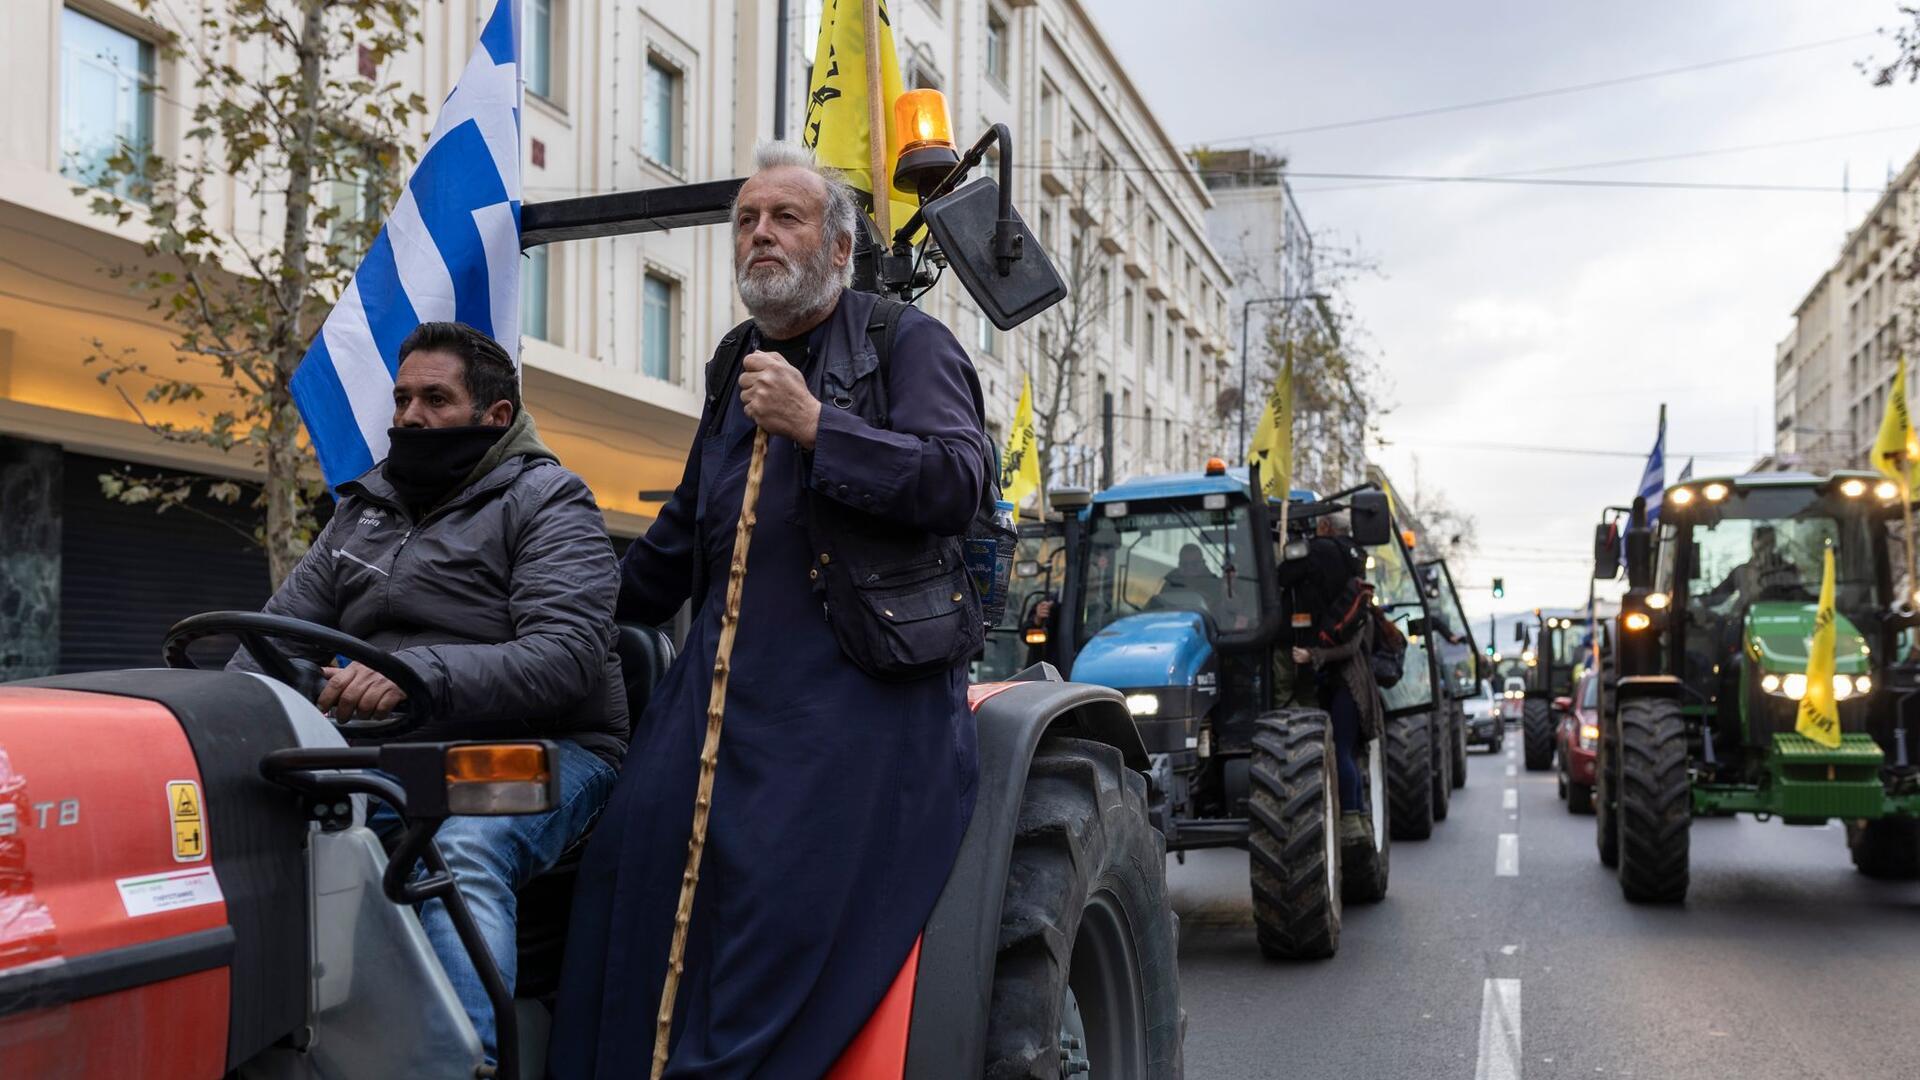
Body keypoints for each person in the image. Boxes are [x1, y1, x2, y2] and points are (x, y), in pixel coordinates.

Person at [551, 142, 988, 1078]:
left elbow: (958, 482)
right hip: (715, 694)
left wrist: (820, 426)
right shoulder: (732, 361)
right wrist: (567, 616)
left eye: (784, 217)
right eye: (745, 220)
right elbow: (682, 531)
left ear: (838, 249)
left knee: (778, 898)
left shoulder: (906, 343)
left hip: (856, 694)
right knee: (626, 865)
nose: (759, 234)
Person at [233, 321, 628, 1064]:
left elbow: (565, 657)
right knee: (253, 820)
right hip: (396, 747)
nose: (410, 416)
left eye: (435, 399)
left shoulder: (550, 501)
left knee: (462, 848)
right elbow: (274, 638)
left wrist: (416, 675)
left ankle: (465, 1059)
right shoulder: (364, 511)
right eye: (402, 398)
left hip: (535, 749)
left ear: (495, 417)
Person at [1282, 512, 1382, 846]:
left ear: (1324, 529)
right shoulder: (1356, 578)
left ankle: (1352, 821)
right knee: (1344, 750)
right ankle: (1357, 817)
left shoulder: (1324, 559)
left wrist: (1313, 656)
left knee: (1341, 750)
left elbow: (1349, 648)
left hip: (1348, 684)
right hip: (1337, 679)